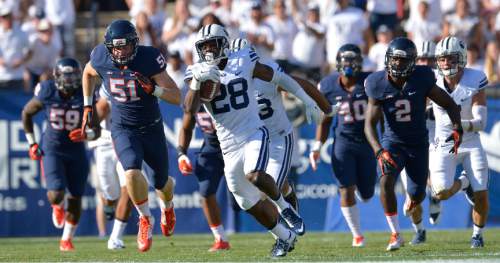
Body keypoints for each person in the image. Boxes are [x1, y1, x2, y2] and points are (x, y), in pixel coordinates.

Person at [183, 24, 328, 258]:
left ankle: (285, 209)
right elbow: (189, 109)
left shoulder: (243, 60)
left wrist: (307, 100)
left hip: (254, 132)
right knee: (244, 200)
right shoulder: (196, 71)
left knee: (255, 174)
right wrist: (195, 83)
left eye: (213, 45)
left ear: (224, 44)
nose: (209, 51)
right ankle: (285, 237)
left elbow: (282, 78)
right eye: (204, 46)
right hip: (228, 145)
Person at [80, 20, 180, 252]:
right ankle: (145, 218)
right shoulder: (100, 57)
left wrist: (154, 90)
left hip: (151, 127)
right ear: (109, 47)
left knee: (161, 183)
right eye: (116, 47)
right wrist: (87, 106)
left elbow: (176, 96)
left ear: (135, 44)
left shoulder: (148, 58)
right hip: (122, 127)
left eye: (125, 46)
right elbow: (87, 72)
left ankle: (168, 205)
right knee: (131, 171)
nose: (120, 51)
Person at [363, 37, 463, 251]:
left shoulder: (422, 77)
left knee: (416, 195)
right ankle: (395, 234)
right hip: (392, 143)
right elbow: (369, 126)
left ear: (412, 62)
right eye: (395, 59)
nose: (398, 64)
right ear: (388, 59)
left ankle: (416, 203)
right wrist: (379, 151)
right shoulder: (376, 83)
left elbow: (449, 104)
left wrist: (457, 127)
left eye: (402, 60)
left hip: (418, 144)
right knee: (386, 181)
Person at [230, 37, 331, 211]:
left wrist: (321, 106)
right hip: (251, 139)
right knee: (253, 192)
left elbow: (299, 85)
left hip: (276, 136)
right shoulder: (228, 81)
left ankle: (288, 228)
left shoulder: (267, 73)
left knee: (270, 189)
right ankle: (285, 195)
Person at [21, 58, 101, 251]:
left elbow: (96, 130)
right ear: (57, 76)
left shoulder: (85, 92)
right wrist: (32, 143)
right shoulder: (48, 91)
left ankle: (66, 239)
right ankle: (57, 205)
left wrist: (86, 134)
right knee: (56, 194)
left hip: (76, 151)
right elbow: (27, 113)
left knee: (76, 197)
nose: (70, 80)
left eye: (74, 75)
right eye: (66, 76)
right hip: (53, 148)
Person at [310, 44, 376, 248]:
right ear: (338, 63)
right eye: (345, 61)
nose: (349, 65)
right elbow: (325, 118)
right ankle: (357, 236)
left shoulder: (370, 82)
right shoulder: (328, 85)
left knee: (367, 195)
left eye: (353, 61)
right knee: (345, 189)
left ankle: (361, 190)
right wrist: (317, 146)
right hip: (343, 142)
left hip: (366, 142)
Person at [429, 36, 490, 248]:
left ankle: (477, 236)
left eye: (451, 59)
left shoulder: (475, 78)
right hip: (444, 144)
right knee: (441, 192)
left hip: (470, 141)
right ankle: (464, 183)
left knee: (481, 192)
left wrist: (461, 125)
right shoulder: (432, 80)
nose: (446, 63)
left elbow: (481, 122)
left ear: (462, 59)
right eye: (442, 59)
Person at [177, 99, 231, 252]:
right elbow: (186, 128)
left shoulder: (226, 93)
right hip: (212, 149)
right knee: (205, 192)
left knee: (243, 200)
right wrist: (181, 154)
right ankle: (220, 238)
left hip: (236, 147)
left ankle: (282, 224)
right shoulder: (193, 99)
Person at [90, 87, 134, 250]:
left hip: (127, 141)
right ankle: (108, 202)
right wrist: (88, 129)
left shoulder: (132, 79)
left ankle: (115, 237)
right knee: (111, 193)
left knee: (128, 189)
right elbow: (101, 109)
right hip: (104, 144)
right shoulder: (105, 83)